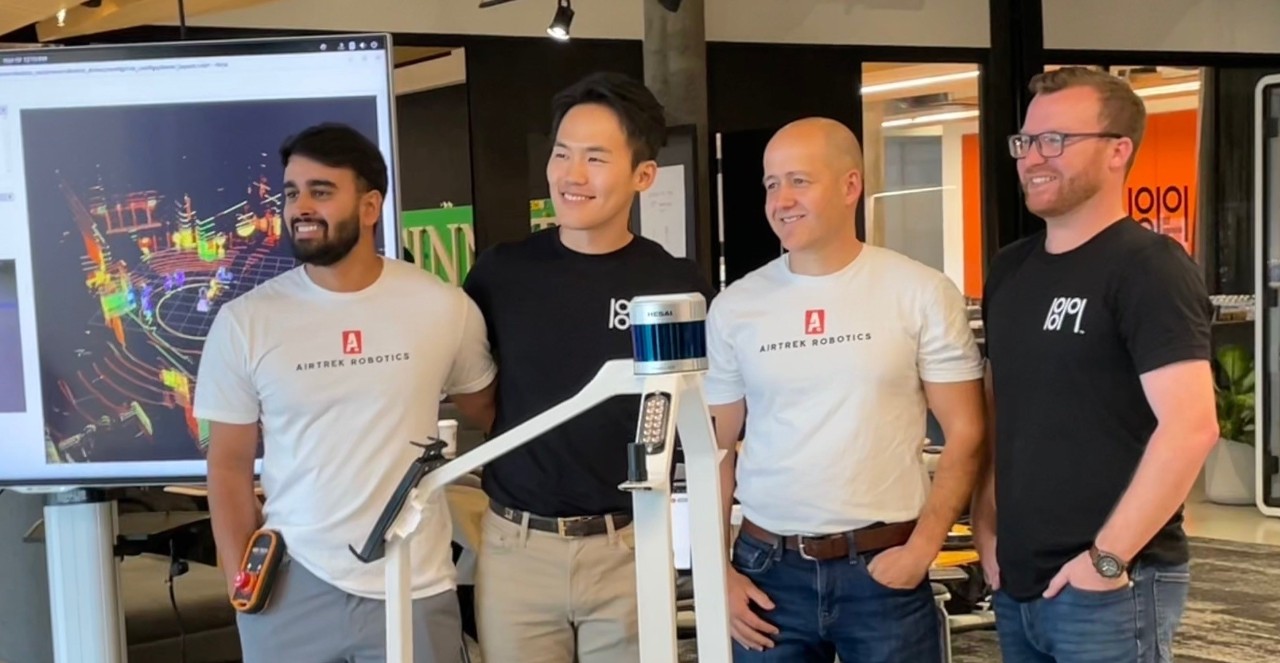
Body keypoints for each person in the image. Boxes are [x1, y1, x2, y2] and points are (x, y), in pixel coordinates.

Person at [195, 123, 497, 663]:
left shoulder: (443, 306)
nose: (300, 206)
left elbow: (491, 411)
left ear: (370, 205)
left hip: (416, 582)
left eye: (322, 191)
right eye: (291, 193)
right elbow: (228, 465)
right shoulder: (245, 322)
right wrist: (240, 581)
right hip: (291, 585)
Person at [703, 116, 986, 663]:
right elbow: (715, 448)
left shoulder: (920, 291)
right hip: (767, 572)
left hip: (884, 568)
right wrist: (719, 573)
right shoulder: (737, 305)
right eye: (770, 184)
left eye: (799, 181)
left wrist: (924, 547)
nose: (781, 200)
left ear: (850, 185)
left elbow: (967, 432)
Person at [460, 71, 715, 663]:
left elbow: (700, 411)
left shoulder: (675, 285)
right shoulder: (501, 274)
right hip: (514, 545)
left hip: (629, 542)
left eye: (596, 158)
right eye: (561, 154)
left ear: (643, 175)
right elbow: (479, 395)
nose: (571, 175)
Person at [974, 66, 1219, 662]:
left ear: (1118, 151)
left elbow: (1191, 428)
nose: (1034, 157)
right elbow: (1001, 410)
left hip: (1112, 585)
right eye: (1026, 142)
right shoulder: (1010, 270)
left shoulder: (1148, 268)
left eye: (1056, 141)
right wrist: (987, 526)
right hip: (1019, 581)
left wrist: (1108, 557)